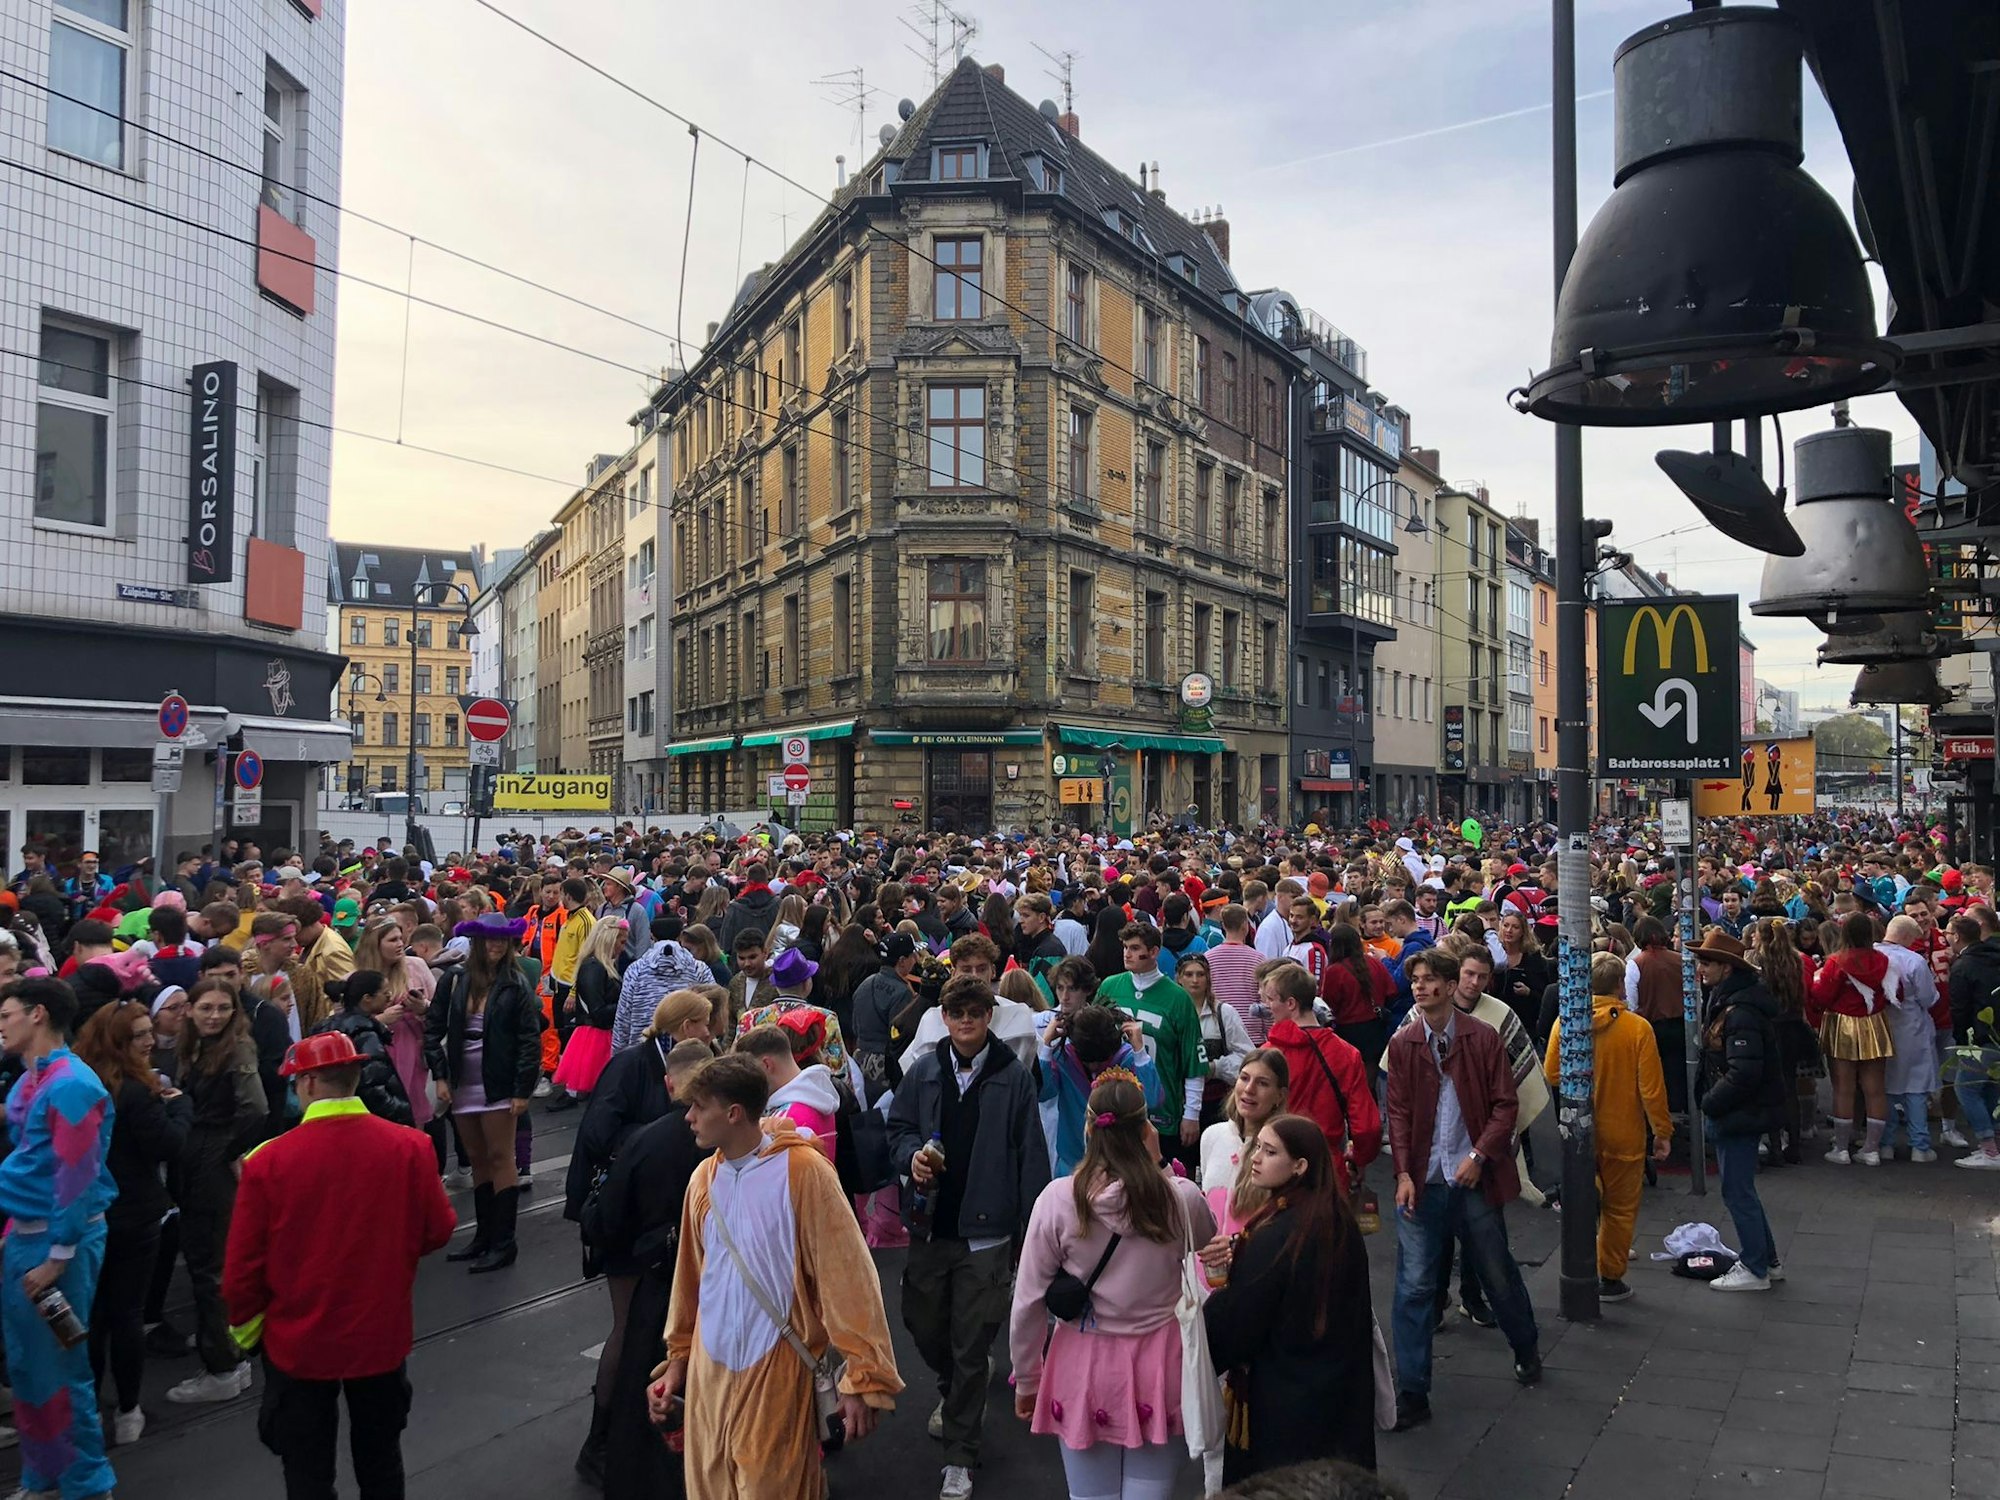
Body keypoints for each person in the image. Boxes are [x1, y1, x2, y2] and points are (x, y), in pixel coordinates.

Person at [651, 1053, 903, 1500]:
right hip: (711, 1376)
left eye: (698, 1106)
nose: (687, 1117)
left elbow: (847, 1279)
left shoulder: (804, 1173)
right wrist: (678, 1364)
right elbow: (690, 1281)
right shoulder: (702, 1182)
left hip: (776, 1370)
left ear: (733, 1114)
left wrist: (863, 1378)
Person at [224, 1030, 456, 1500]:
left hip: (299, 1341)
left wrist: (249, 1331)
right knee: (381, 1458)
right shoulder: (410, 1146)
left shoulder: (267, 1162)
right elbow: (437, 1230)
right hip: (379, 1332)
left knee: (307, 1470)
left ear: (306, 1084)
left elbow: (241, 1268)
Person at [1010, 1072, 1216, 1500]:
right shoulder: (1182, 1199)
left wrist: (1028, 1376)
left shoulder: (1057, 1199)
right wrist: (1161, 1165)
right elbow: (1207, 1244)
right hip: (1162, 1364)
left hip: (1083, 1364)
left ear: (1089, 1129)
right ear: (1147, 1131)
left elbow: (1028, 1299)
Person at [888, 972, 1050, 1499]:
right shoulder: (925, 1069)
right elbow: (899, 1129)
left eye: (973, 1015)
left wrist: (1033, 1235)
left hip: (989, 1231)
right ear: (946, 1018)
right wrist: (909, 1157)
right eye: (956, 1015)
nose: (964, 1024)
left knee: (970, 1338)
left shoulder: (1013, 1076)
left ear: (987, 1019)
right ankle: (960, 1383)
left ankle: (960, 1454)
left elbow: (1031, 1156)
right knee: (923, 1324)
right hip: (930, 1226)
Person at [1384, 948, 1540, 1431]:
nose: (1421, 987)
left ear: (1452, 988)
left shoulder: (1483, 1038)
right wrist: (1404, 1174)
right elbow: (1400, 1113)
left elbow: (1504, 1104)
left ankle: (1526, 1347)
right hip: (1425, 1179)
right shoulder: (1406, 1041)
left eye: (1431, 980)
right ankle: (1412, 1389)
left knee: (1497, 1271)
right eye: (1417, 980)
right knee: (1413, 1286)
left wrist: (1479, 1155)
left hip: (1471, 1176)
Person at [1204, 1115, 1377, 1482]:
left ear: (1299, 1166)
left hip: (1282, 1408)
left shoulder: (1275, 1236)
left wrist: (1211, 1312)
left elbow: (1239, 1325)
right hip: (1338, 1397)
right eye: (1257, 1148)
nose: (1256, 1158)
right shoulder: (1337, 1220)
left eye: (1270, 1152)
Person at [0, 977, 118, 1499]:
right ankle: (44, 1474)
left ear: (38, 1014)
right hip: (27, 1241)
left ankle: (87, 1485)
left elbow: (77, 1177)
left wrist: (57, 1256)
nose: (1, 1025)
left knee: (62, 1370)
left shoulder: (71, 1085)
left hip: (57, 1248)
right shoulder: (31, 1081)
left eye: (6, 1014)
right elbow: (34, 1163)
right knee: (27, 1366)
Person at [580, 1039, 712, 1498]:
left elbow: (608, 1221)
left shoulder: (648, 1139)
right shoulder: (737, 1139)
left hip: (661, 1283)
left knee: (646, 1380)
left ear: (669, 1083)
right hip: (719, 1292)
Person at [77, 1000, 190, 1445]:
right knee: (125, 1314)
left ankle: (88, 1407)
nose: (149, 1041)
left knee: (95, 1315)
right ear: (119, 1042)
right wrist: (182, 1107)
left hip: (90, 1212)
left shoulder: (87, 1083)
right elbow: (169, 1145)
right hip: (134, 1214)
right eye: (140, 1035)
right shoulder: (136, 1092)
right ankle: (128, 1409)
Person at [1541, 953, 1671, 1302]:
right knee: (1621, 1210)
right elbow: (1651, 1089)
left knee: (1586, 1196)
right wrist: (1662, 1131)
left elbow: (1551, 1073)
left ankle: (1581, 1257)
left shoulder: (1566, 1021)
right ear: (1619, 985)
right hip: (1624, 1134)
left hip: (1578, 1131)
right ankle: (1610, 1276)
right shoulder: (1638, 1029)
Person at [167, 975, 267, 1404]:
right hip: (197, 1151)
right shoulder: (194, 1044)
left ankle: (224, 1364)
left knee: (210, 1262)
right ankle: (225, 1344)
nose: (214, 1015)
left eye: (222, 1008)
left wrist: (232, 1148)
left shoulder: (237, 1046)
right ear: (189, 1009)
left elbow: (257, 1107)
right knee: (208, 1256)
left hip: (210, 1151)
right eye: (206, 1007)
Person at [425, 914, 542, 1273]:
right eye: (489, 940)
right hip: (463, 1080)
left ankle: (504, 1242)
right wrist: (441, 1077)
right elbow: (433, 1029)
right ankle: (484, 1236)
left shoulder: (515, 984)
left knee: (499, 1156)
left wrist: (522, 1090)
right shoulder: (456, 980)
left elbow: (529, 1041)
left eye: (501, 940)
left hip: (499, 1081)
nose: (495, 945)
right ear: (476, 943)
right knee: (476, 1158)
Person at [1693, 931, 1786, 1291]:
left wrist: (1711, 1101)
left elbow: (1744, 1071)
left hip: (1739, 1110)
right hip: (1743, 1108)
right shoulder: (1733, 1000)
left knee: (1737, 1190)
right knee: (1741, 1188)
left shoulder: (1740, 1009)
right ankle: (1767, 1260)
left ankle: (1755, 1267)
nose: (1701, 969)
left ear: (1726, 968)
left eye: (1706, 962)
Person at [1257, 962, 1380, 1193]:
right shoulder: (1346, 1053)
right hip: (1328, 1168)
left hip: (1276, 1167)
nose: (1266, 1007)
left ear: (1291, 1003)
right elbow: (1366, 1127)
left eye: (1271, 1000)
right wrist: (1359, 1157)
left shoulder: (1268, 1054)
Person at [1093, 922, 1208, 1159]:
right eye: (1125, 947)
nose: (1127, 953)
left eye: (1135, 948)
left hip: (1161, 1111)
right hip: (1114, 1107)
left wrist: (1192, 1114)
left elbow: (1193, 1059)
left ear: (1154, 952)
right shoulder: (1109, 986)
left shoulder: (1178, 998)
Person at [1040, 1002, 1164, 1177]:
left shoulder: (1127, 1058)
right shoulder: (1063, 1056)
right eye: (1088, 1060)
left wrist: (1140, 1052)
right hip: (1071, 1165)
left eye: (1101, 1060)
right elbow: (1043, 1093)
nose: (1094, 1066)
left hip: (1120, 1167)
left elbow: (1152, 1099)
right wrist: (1046, 1046)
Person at [1198, 1047, 1291, 1237]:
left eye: (1262, 1083)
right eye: (1244, 1078)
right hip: (1204, 1265)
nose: (1249, 1089)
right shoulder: (1212, 1136)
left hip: (1252, 1263)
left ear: (1279, 1096)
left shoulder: (1285, 1149)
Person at [310, 971, 416, 1127]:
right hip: (370, 1122)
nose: (390, 997)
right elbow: (374, 1088)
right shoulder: (365, 1034)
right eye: (385, 993)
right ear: (367, 999)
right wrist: (402, 1114)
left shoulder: (327, 1027)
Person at [553, 913, 625, 1106]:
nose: (622, 948)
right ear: (609, 940)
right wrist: (627, 1003)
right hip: (596, 1036)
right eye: (622, 942)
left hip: (599, 1034)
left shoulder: (600, 965)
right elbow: (597, 1011)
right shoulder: (594, 967)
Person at [1945, 913, 2000, 1169]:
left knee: (1966, 1088)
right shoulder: (1993, 956)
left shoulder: (1962, 966)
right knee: (1989, 1087)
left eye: (1948, 933)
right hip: (1995, 1034)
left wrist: (1961, 1040)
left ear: (1957, 937)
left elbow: (1959, 1008)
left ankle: (1989, 1149)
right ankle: (1994, 1145)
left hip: (1977, 1037)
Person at [1185, 953, 1254, 1130]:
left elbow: (1248, 1058)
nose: (1195, 980)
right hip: (1178, 1102)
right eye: (1189, 974)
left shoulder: (1224, 1013)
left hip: (1217, 1104)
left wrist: (1215, 1068)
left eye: (1200, 974)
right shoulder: (1170, 1012)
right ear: (1178, 978)